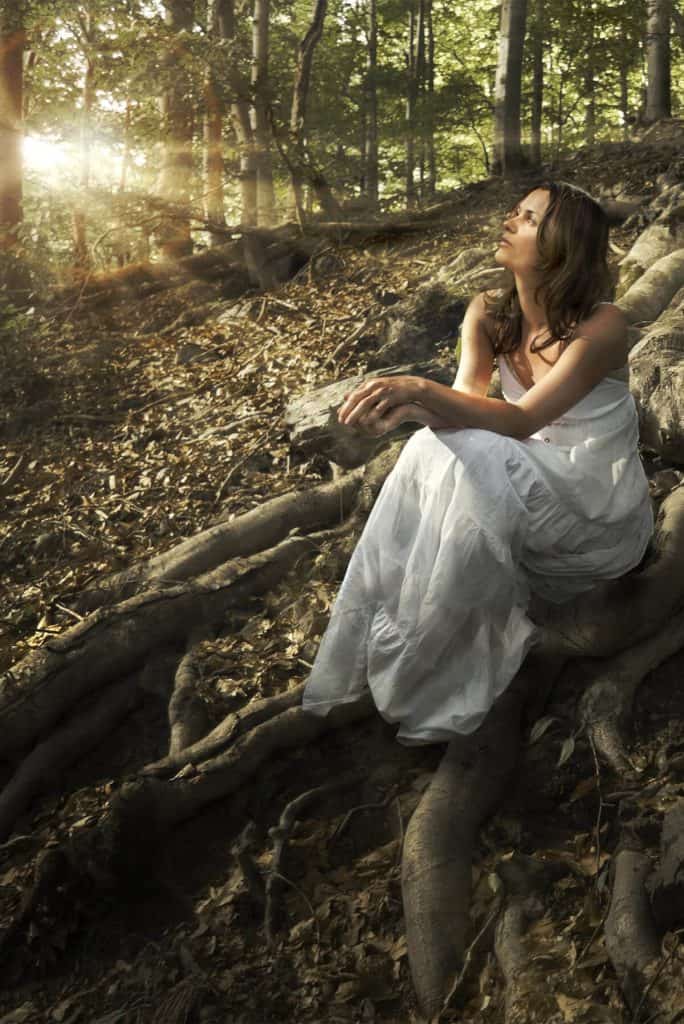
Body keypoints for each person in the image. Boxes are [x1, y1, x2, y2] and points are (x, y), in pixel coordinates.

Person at [301, 180, 654, 745]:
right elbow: (469, 404)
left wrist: (417, 386)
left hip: (596, 519)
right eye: (513, 211)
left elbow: (517, 422)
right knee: (426, 447)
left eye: (530, 218)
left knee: (483, 448)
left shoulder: (602, 325)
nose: (509, 221)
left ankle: (451, 661)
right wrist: (409, 412)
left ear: (563, 243)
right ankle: (415, 643)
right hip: (525, 489)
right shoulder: (488, 312)